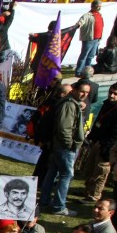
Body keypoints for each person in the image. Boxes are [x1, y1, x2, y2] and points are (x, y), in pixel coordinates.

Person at [41, 80, 89, 215]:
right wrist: (69, 145)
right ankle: (58, 206)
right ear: (74, 89)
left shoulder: (71, 103)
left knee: (52, 173)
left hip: (59, 145)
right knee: (66, 175)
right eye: (82, 91)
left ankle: (45, 201)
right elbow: (64, 128)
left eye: (86, 93)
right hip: (64, 147)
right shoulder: (69, 105)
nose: (84, 94)